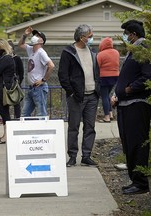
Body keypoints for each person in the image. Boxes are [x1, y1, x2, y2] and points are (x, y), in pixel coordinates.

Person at [111, 20, 151, 195]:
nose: (126, 37)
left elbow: (147, 76)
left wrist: (129, 88)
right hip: (124, 105)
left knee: (137, 144)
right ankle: (134, 180)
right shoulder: (132, 52)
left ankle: (141, 183)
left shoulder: (143, 50)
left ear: (133, 34)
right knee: (128, 144)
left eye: (127, 34)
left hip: (137, 105)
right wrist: (117, 93)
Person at [58, 24, 100, 167]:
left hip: (92, 96)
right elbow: (63, 75)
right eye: (89, 36)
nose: (91, 37)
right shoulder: (68, 52)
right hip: (76, 96)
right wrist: (71, 92)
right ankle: (72, 156)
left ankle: (86, 156)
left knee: (90, 127)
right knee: (73, 127)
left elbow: (97, 72)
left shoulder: (93, 52)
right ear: (82, 38)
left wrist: (97, 89)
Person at [18, 26, 54, 117]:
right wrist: (25, 35)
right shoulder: (31, 49)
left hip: (39, 88)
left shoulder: (41, 52)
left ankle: (44, 130)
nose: (34, 37)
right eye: (35, 35)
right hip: (31, 88)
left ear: (41, 41)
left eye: (37, 36)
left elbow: (51, 65)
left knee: (41, 114)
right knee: (24, 114)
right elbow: (21, 44)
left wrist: (43, 80)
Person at [0, 39, 15, 144]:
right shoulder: (5, 58)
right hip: (2, 87)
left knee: (4, 111)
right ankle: (6, 134)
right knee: (3, 111)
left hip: (2, 88)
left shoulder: (6, 59)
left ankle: (7, 135)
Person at [97, 37, 119, 122]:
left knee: (104, 96)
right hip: (115, 77)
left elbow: (97, 67)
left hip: (104, 77)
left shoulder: (101, 54)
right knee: (108, 95)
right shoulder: (116, 52)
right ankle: (111, 114)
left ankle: (106, 117)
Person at [8, 40, 24, 119]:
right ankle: (5, 118)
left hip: (15, 82)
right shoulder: (4, 58)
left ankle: (17, 117)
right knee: (5, 101)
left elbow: (21, 72)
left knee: (16, 101)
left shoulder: (17, 58)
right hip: (7, 82)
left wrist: (19, 82)